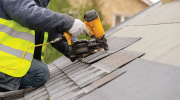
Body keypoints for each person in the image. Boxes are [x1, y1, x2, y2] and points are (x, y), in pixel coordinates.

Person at [0, 0, 90, 92]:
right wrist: (68, 23)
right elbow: (28, 14)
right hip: (3, 65)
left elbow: (52, 32)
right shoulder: (25, 7)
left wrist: (77, 48)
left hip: (8, 62)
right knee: (39, 73)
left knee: (40, 70)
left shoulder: (36, 5)